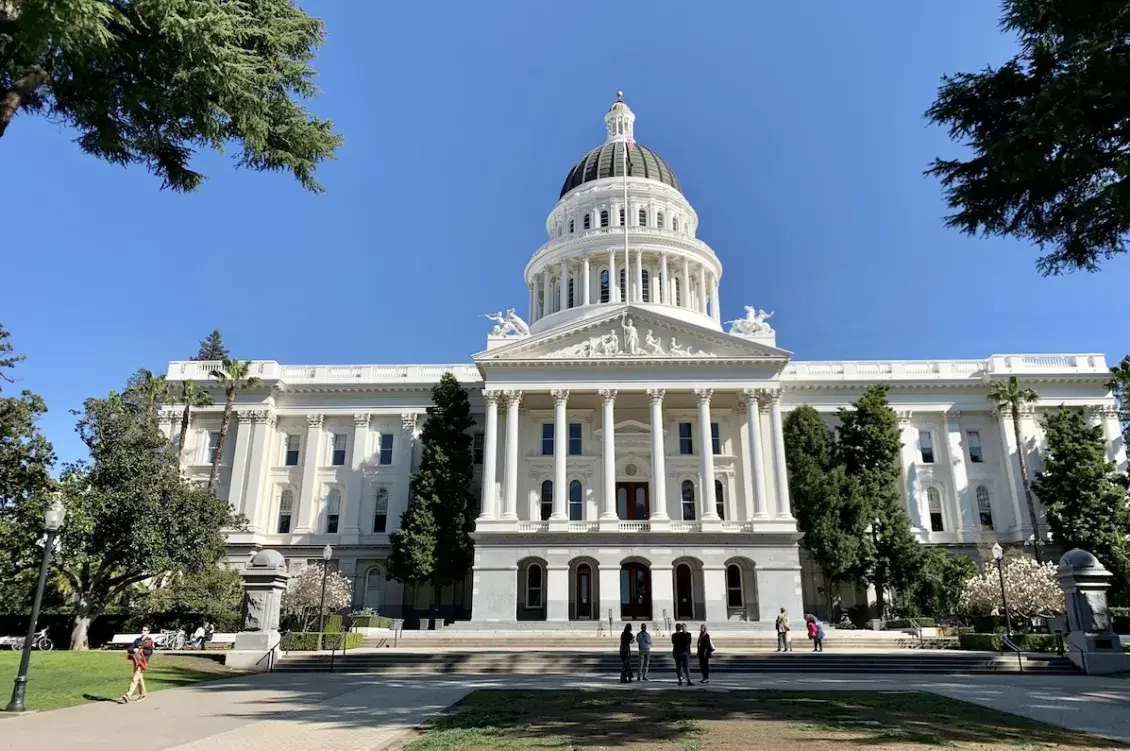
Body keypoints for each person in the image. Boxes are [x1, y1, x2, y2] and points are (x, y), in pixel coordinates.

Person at [121, 626, 155, 703]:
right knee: (139, 677)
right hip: (136, 661)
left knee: (135, 677)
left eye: (145, 630)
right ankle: (143, 694)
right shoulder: (137, 640)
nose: (142, 631)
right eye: (142, 629)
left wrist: (141, 650)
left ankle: (128, 695)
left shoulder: (149, 641)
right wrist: (134, 649)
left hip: (143, 661)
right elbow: (129, 649)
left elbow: (150, 652)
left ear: (148, 632)